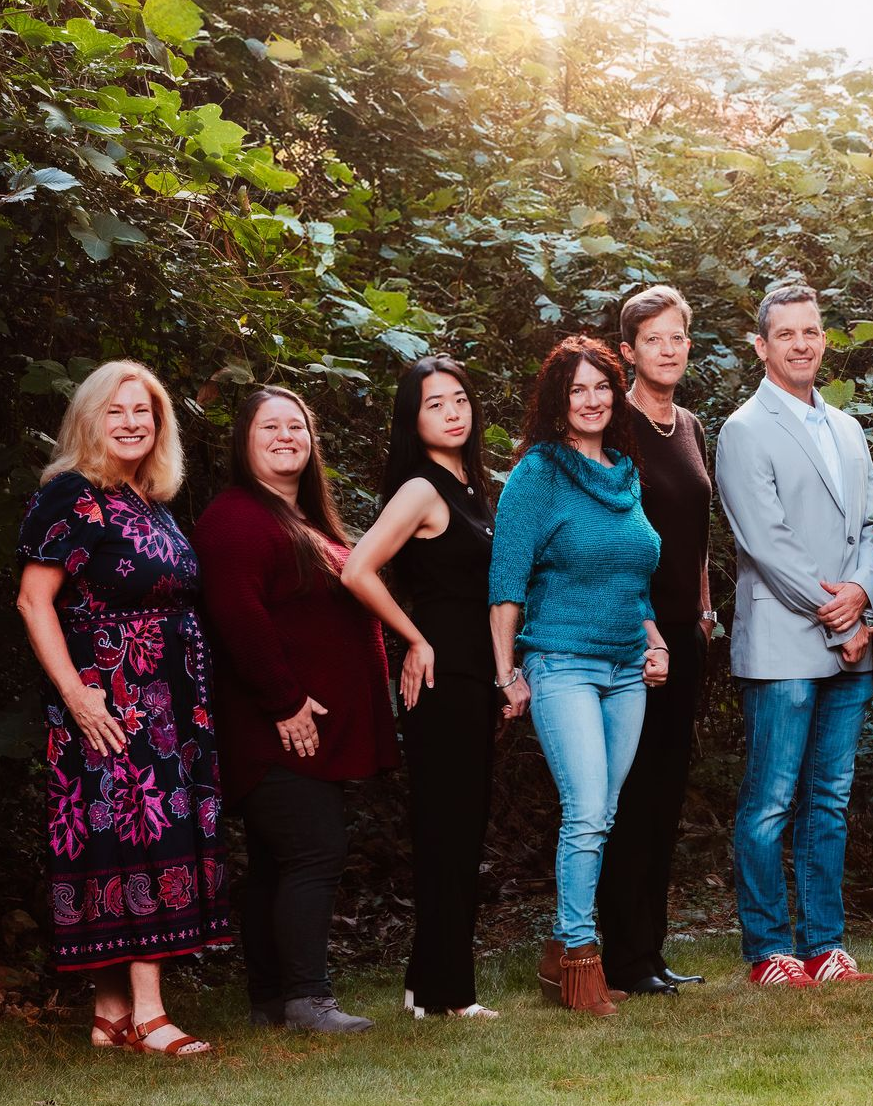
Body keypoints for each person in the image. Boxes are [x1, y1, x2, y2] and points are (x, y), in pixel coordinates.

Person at [14, 360, 229, 1056]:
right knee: (138, 842)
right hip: (112, 704)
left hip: (168, 709)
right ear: (89, 420)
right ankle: (148, 1014)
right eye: (117, 411)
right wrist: (76, 696)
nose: (132, 422)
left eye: (144, 411)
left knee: (133, 841)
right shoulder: (73, 498)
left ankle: (110, 1014)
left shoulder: (148, 502)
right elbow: (33, 601)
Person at [194, 386, 396, 1034]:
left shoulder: (297, 516)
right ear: (242, 442)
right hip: (275, 729)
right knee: (315, 852)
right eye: (270, 427)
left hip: (302, 731)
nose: (287, 436)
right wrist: (284, 701)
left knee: (278, 862)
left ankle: (271, 1003)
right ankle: (309, 999)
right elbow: (237, 616)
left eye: (298, 427)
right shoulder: (234, 519)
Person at [489, 336, 667, 1017]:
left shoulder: (625, 472)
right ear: (558, 403)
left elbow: (634, 580)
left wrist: (657, 647)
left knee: (605, 813)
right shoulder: (540, 473)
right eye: (577, 391)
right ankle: (580, 958)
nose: (591, 400)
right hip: (560, 662)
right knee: (587, 811)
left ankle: (558, 952)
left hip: (627, 669)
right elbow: (506, 582)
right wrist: (506, 672)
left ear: (615, 396)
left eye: (601, 387)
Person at [716, 284, 873, 988]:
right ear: (761, 346)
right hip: (786, 642)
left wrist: (864, 597)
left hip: (851, 643)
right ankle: (768, 948)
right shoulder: (743, 430)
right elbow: (766, 542)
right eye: (786, 334)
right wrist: (837, 611)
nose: (802, 344)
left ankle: (824, 943)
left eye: (811, 332)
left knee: (829, 799)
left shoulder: (846, 428)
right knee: (772, 800)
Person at [340, 355, 507, 1020]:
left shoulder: (471, 487)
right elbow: (357, 570)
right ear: (414, 418)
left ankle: (426, 984)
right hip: (440, 678)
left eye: (460, 399)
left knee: (460, 831)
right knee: (447, 832)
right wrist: (413, 637)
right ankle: (448, 996)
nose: (453, 411)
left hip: (473, 677)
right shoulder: (420, 488)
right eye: (436, 403)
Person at [597, 285, 716, 996]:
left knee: (667, 793)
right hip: (632, 636)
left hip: (685, 634)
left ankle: (652, 951)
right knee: (630, 794)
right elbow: (611, 539)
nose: (669, 349)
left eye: (678, 337)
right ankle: (622, 955)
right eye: (654, 340)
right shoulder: (617, 430)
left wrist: (702, 610)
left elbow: (697, 534)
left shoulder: (692, 427)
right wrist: (647, 630)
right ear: (627, 353)